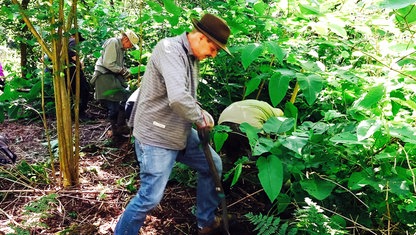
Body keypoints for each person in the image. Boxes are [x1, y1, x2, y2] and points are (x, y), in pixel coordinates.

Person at [114, 13, 232, 235]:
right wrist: (200, 118)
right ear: (200, 37)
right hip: (156, 135)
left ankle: (205, 222)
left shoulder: (192, 57)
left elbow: (185, 95)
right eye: (214, 48)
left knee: (212, 165)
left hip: (178, 130)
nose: (213, 55)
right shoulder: (169, 49)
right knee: (150, 197)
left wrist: (200, 113)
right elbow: (177, 97)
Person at [91, 29, 139, 142]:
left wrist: (125, 75)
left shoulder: (121, 48)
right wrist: (122, 71)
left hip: (112, 77)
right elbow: (108, 63)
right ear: (125, 39)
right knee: (113, 105)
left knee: (124, 98)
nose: (130, 47)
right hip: (104, 76)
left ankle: (120, 127)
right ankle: (116, 133)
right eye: (130, 44)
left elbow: (116, 66)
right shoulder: (113, 42)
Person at [218, 99, 284, 160]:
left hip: (223, 123)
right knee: (261, 152)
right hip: (247, 125)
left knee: (232, 151)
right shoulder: (276, 117)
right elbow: (280, 139)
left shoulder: (264, 107)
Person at [67, 31, 90, 119]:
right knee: (85, 90)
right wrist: (80, 63)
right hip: (73, 72)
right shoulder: (72, 40)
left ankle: (74, 113)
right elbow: (71, 52)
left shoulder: (62, 42)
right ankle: (81, 113)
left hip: (67, 72)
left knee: (72, 93)